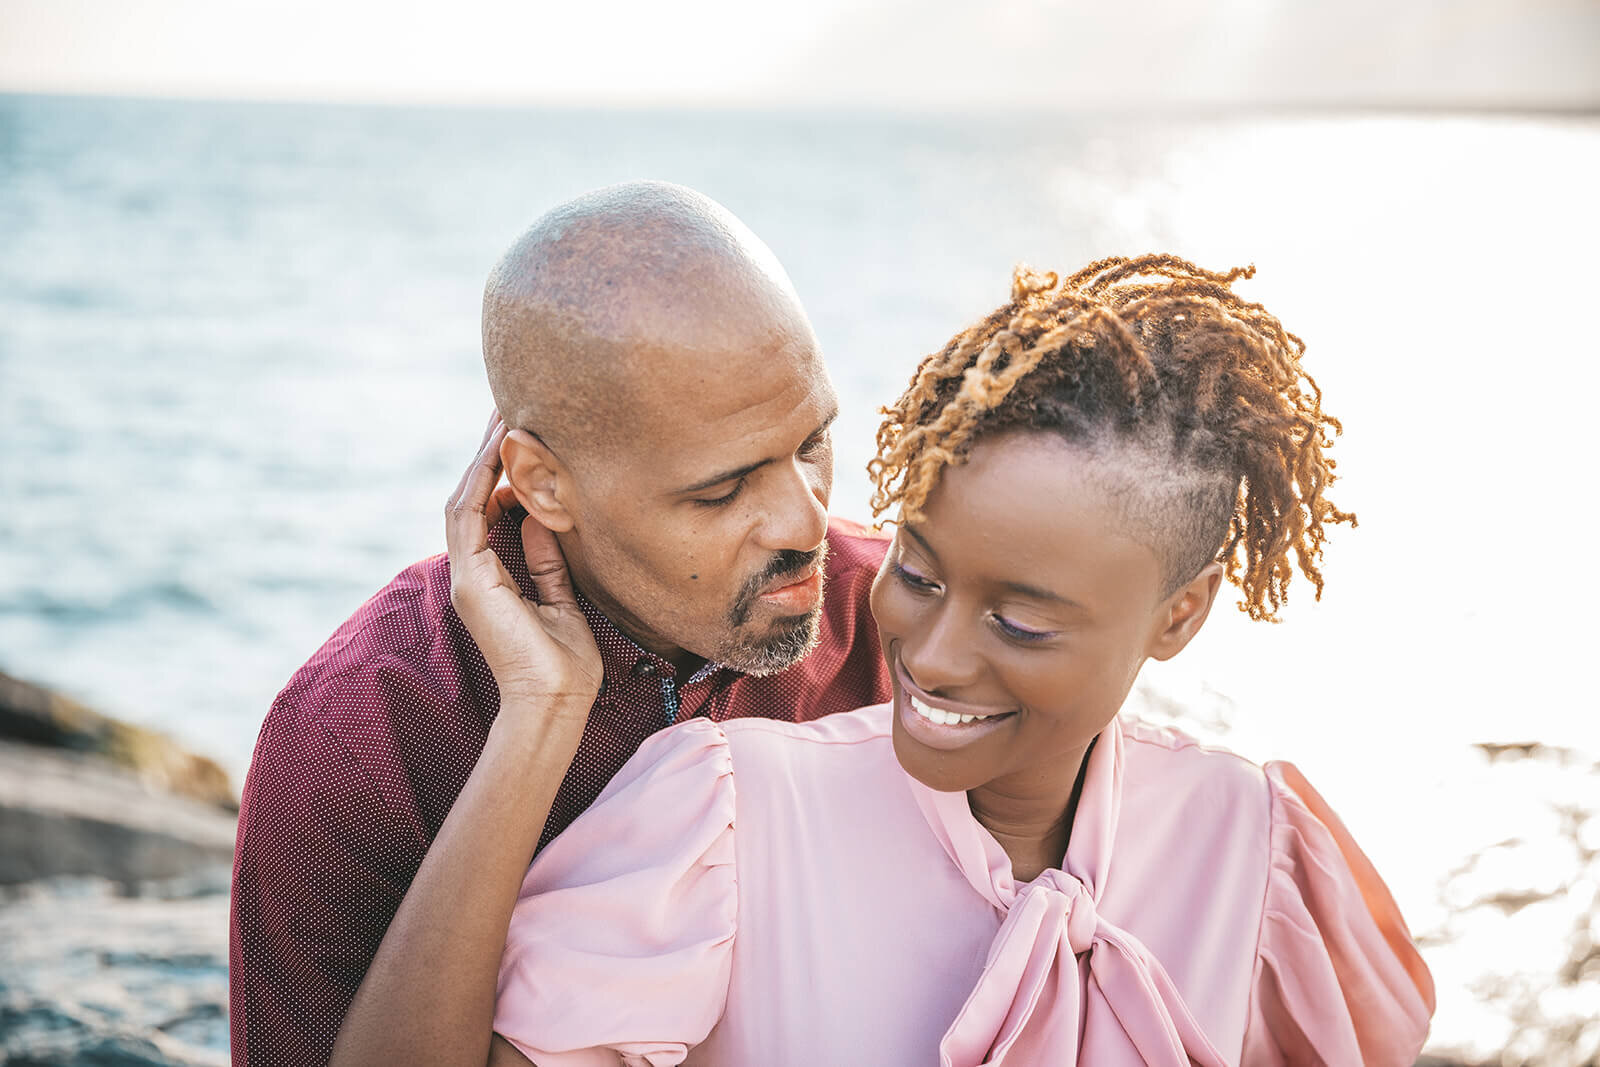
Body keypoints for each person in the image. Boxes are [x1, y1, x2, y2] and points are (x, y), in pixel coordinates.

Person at [485, 256, 1437, 1064]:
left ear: (1180, 615)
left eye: (1021, 623)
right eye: (918, 573)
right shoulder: (722, 817)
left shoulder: (1261, 849)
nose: (931, 659)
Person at [228, 182, 893, 1067]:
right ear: (542, 483)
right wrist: (538, 723)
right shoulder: (356, 735)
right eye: (723, 489)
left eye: (812, 443)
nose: (809, 523)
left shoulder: (904, 621)